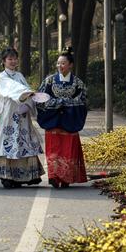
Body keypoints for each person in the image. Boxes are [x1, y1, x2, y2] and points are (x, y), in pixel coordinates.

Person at [0, 48, 45, 188]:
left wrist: (29, 102)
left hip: (22, 114)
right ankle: (8, 176)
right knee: (9, 139)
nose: (13, 61)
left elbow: (25, 88)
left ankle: (27, 175)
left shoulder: (20, 75)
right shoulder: (2, 76)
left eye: (15, 58)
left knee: (24, 139)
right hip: (9, 113)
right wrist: (26, 92)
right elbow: (12, 88)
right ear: (4, 61)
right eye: (9, 59)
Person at [36, 47, 88, 188]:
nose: (60, 66)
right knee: (53, 149)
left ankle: (66, 178)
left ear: (70, 65)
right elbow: (40, 99)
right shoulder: (49, 81)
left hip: (70, 121)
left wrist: (66, 105)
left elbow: (83, 101)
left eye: (63, 63)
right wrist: (58, 104)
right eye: (58, 63)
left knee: (68, 150)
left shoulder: (78, 83)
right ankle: (53, 175)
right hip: (52, 120)